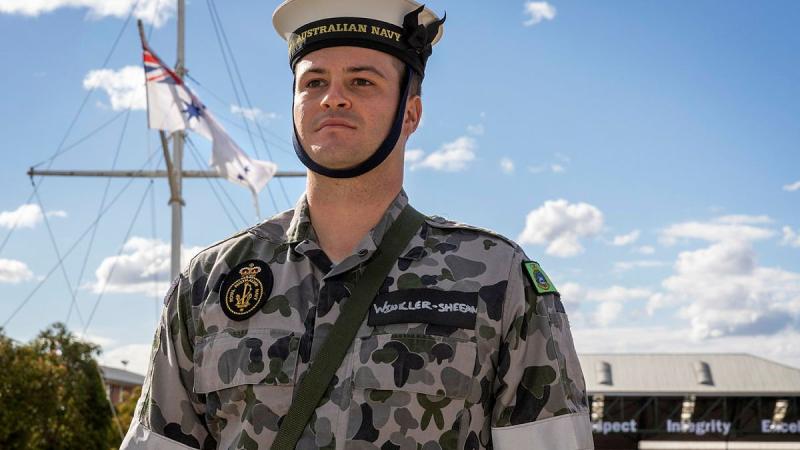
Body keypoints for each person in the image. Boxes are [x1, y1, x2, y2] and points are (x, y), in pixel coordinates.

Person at [121, 0, 593, 448]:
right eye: (313, 83)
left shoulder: (497, 278)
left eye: (362, 82)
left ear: (410, 114)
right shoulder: (209, 283)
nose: (333, 99)